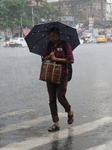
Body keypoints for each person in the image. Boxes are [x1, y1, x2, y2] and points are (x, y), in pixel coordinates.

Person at [43, 27, 74, 132]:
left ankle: (69, 111)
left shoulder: (65, 45)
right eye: (50, 36)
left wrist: (56, 59)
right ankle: (56, 123)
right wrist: (49, 56)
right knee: (52, 99)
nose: (52, 37)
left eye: (54, 35)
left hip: (62, 75)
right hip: (50, 75)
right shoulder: (49, 45)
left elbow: (71, 60)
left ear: (58, 35)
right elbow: (43, 58)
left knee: (60, 97)